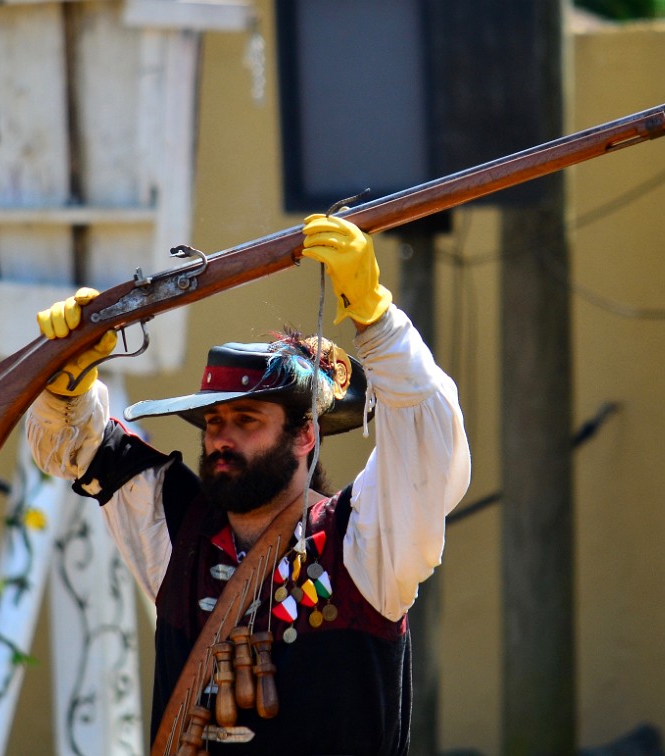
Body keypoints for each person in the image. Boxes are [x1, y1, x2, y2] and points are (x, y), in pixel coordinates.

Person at [26, 213, 471, 755]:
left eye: (248, 420)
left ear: (306, 433)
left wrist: (376, 318)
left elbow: (429, 448)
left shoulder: (364, 545)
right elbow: (74, 444)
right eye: (214, 422)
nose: (222, 439)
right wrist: (65, 378)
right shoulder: (178, 529)